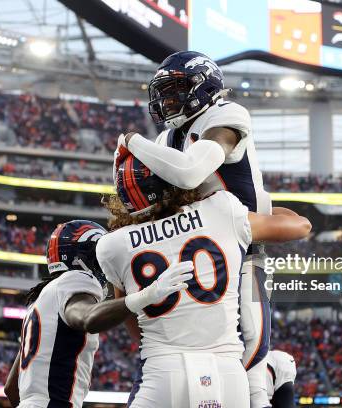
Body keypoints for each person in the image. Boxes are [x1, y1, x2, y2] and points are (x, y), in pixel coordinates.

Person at [117, 50, 274, 408]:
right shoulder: (166, 140)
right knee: (161, 353)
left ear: (205, 86)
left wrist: (131, 141)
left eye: (176, 89)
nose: (167, 100)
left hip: (238, 251)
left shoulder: (226, 115)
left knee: (251, 354)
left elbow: (189, 172)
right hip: (185, 253)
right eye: (163, 91)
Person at [97, 153, 311, 407]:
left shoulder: (112, 246)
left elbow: (134, 326)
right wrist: (256, 209)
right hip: (227, 373)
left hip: (163, 372)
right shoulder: (221, 209)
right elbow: (300, 226)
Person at [3, 220, 193, 408]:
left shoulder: (42, 300)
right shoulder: (76, 278)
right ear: (87, 257)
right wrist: (147, 295)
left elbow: (11, 388)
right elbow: (87, 317)